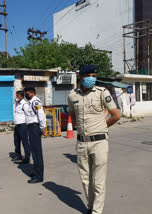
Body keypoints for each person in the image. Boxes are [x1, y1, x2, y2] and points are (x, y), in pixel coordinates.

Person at [68, 65, 120, 214]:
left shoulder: (102, 92)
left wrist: (102, 127)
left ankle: (97, 212)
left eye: (94, 75)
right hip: (82, 143)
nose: (92, 77)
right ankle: (90, 207)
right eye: (89, 75)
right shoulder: (72, 95)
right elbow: (73, 117)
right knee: (85, 179)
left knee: (98, 181)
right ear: (81, 77)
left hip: (99, 142)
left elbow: (116, 115)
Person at [24, 87, 46, 184]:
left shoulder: (35, 102)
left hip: (34, 128)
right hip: (31, 127)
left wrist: (42, 128)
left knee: (37, 152)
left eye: (27, 93)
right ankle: (36, 171)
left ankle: (39, 176)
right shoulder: (31, 102)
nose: (26, 95)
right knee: (34, 151)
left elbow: (41, 115)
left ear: (32, 93)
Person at [12, 90, 30, 164]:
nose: (16, 97)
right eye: (16, 95)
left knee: (25, 142)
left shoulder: (24, 104)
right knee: (16, 142)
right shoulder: (17, 103)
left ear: (21, 96)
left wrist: (27, 125)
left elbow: (28, 115)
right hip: (17, 125)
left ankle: (27, 157)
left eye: (17, 96)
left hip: (23, 125)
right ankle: (18, 155)